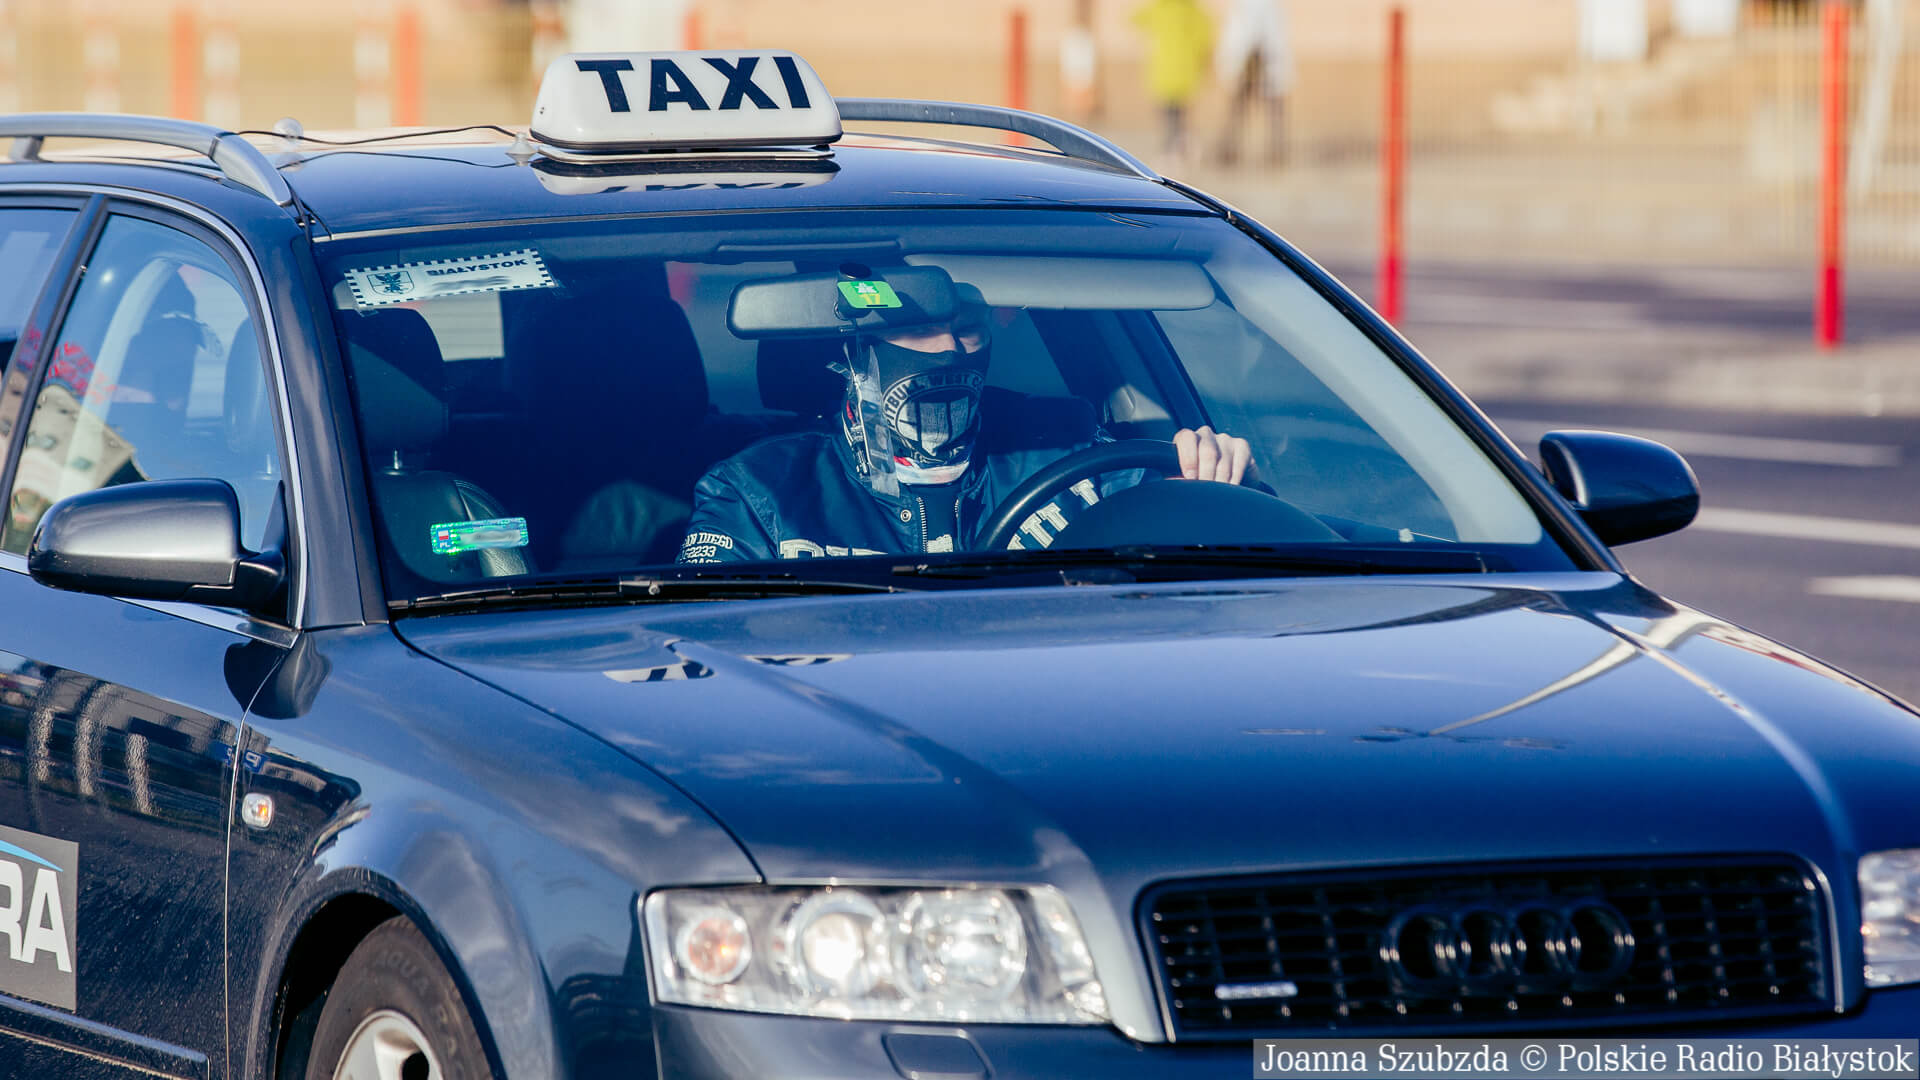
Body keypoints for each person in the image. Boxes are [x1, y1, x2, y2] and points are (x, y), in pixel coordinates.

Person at [678, 304, 1257, 564]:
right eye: (918, 329)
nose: (949, 350)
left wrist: (1222, 487)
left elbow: (1186, 567)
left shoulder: (1071, 448)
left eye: (969, 330)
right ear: (854, 348)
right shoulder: (760, 489)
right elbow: (711, 650)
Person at [1131, 0, 1214, 164]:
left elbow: (1134, 18)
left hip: (1165, 71)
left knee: (1169, 114)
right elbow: (1206, 38)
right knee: (1179, 113)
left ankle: (1172, 149)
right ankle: (1182, 145)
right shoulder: (1193, 11)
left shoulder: (1161, 8)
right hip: (1185, 71)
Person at [1214, 0, 1293, 166]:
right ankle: (1230, 149)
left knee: (1269, 107)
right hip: (1248, 55)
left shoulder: (1265, 6)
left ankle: (1276, 151)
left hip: (1263, 55)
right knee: (1240, 106)